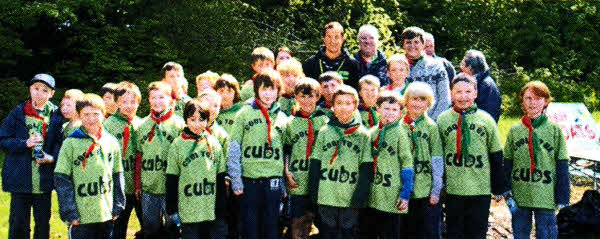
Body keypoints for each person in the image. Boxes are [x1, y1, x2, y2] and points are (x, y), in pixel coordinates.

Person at [437, 74, 505, 239]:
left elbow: (496, 155)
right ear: (451, 94)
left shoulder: (486, 120)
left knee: (477, 232)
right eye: (458, 92)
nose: (463, 96)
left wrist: (498, 187)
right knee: (455, 231)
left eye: (468, 91)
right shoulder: (443, 120)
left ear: (475, 93)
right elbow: (438, 156)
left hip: (479, 188)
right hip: (454, 188)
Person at [1, 73, 64, 239]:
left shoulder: (57, 115)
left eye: (44, 90)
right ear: (29, 90)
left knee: (43, 222)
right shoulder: (18, 113)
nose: (39, 93)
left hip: (43, 180)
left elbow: (61, 143)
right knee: (18, 222)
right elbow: (3, 140)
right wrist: (25, 143)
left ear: (51, 94)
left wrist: (51, 157)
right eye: (35, 89)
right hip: (20, 179)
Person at [504, 81, 570, 239]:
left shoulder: (554, 130)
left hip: (546, 194)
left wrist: (562, 197)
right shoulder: (515, 130)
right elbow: (507, 163)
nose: (532, 102)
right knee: (520, 233)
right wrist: (506, 191)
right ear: (522, 101)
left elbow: (562, 165)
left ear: (546, 101)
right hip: (521, 194)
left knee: (547, 234)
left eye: (537, 98)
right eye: (528, 98)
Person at [54, 93, 125, 239]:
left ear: (104, 115)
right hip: (81, 217)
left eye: (96, 114)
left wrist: (118, 207)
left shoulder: (111, 142)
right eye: (86, 114)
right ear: (79, 116)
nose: (91, 119)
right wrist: (69, 212)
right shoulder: (70, 143)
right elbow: (62, 179)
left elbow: (118, 175)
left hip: (105, 214)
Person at [227, 70, 288, 239]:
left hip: (273, 181)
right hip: (250, 180)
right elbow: (234, 148)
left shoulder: (282, 118)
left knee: (271, 226)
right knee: (250, 226)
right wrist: (236, 179)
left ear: (278, 91)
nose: (268, 94)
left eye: (272, 89)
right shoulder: (244, 114)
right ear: (256, 91)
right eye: (263, 89)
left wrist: (283, 184)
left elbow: (284, 153)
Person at [308, 85, 372, 239]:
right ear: (333, 106)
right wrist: (314, 192)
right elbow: (315, 164)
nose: (344, 107)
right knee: (327, 233)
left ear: (355, 106)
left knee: (347, 233)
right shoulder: (325, 131)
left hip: (350, 196)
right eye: (339, 103)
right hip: (327, 195)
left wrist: (360, 196)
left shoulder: (363, 134)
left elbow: (366, 169)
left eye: (348, 103)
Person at [165, 100, 226, 239]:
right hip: (188, 209)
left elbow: (220, 177)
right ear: (186, 119)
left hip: (209, 209)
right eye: (192, 120)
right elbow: (172, 178)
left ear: (207, 120)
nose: (197, 124)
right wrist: (172, 208)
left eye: (201, 120)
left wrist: (221, 207)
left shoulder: (213, 143)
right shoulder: (178, 144)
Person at [135, 81, 185, 237]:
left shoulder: (179, 125)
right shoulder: (142, 125)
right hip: (149, 187)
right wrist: (138, 184)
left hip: (171, 188)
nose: (157, 101)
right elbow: (138, 157)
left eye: (161, 97)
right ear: (148, 100)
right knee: (150, 228)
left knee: (173, 228)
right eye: (153, 97)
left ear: (170, 99)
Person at [360, 91, 413, 239]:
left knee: (389, 232)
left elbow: (407, 163)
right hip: (372, 193)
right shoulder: (371, 133)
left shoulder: (400, 133)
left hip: (391, 194)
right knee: (368, 231)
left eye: (394, 109)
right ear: (377, 109)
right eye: (386, 109)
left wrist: (405, 193)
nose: (389, 113)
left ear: (401, 113)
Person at [283, 78, 329, 239]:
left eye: (311, 96)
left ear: (318, 97)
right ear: (295, 97)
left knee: (320, 224)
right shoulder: (290, 122)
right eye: (302, 96)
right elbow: (286, 149)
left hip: (320, 181)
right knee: (298, 224)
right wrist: (286, 171)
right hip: (298, 178)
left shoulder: (325, 121)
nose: (307, 101)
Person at [401, 82, 444, 239]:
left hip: (425, 190)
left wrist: (436, 190)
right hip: (403, 190)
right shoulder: (399, 125)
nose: (418, 103)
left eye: (422, 99)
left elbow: (437, 160)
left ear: (429, 103)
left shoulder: (431, 127)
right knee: (406, 231)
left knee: (427, 231)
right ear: (406, 101)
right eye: (414, 99)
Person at [103, 81, 144, 239]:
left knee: (150, 226)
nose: (129, 106)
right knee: (118, 229)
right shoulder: (107, 126)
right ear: (117, 103)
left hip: (141, 187)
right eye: (124, 102)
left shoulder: (142, 124)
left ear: (139, 103)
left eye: (133, 102)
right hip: (118, 188)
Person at [198, 89, 231, 239]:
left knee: (218, 226)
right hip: (195, 187)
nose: (212, 109)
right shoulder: (189, 131)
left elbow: (228, 161)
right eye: (208, 104)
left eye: (216, 105)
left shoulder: (222, 135)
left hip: (216, 187)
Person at [401, 26, 450, 121]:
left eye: (416, 42)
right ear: (403, 45)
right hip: (404, 124)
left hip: (432, 122)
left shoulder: (436, 66)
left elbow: (444, 99)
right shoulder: (397, 66)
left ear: (423, 44)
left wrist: (431, 122)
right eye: (408, 42)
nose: (412, 46)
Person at [303, 21, 361, 90]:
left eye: (336, 37)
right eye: (329, 37)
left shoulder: (353, 65)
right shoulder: (310, 64)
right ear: (324, 40)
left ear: (342, 40)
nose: (333, 41)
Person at [460, 49, 502, 122]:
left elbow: (486, 114)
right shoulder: (482, 81)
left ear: (469, 68)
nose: (461, 67)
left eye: (462, 64)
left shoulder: (484, 86)